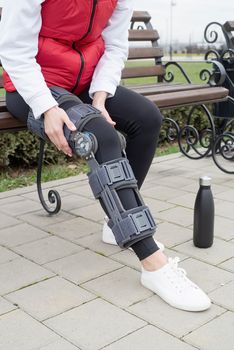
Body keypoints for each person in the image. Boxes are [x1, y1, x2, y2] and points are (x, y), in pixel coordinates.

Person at [0, 0, 211, 312]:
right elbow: (14, 49)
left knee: (147, 118)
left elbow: (113, 46)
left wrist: (100, 96)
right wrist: (47, 107)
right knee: (101, 136)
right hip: (33, 86)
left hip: (84, 86)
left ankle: (117, 223)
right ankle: (153, 263)